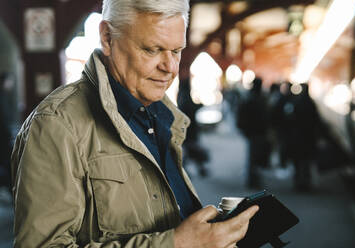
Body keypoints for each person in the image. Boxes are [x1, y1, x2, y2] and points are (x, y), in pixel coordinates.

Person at [11, 0, 259, 247]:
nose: (170, 67)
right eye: (152, 49)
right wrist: (178, 244)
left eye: (176, 51)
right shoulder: (56, 125)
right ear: (107, 38)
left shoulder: (162, 117)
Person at [236, 77, 271, 188]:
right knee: (255, 157)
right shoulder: (259, 99)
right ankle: (252, 180)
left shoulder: (249, 98)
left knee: (253, 157)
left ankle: (252, 179)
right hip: (257, 132)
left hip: (252, 132)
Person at [177, 78, 209, 177]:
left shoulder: (181, 97)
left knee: (187, 151)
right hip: (190, 130)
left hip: (185, 129)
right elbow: (191, 108)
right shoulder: (186, 98)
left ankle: (186, 171)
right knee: (191, 150)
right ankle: (191, 171)